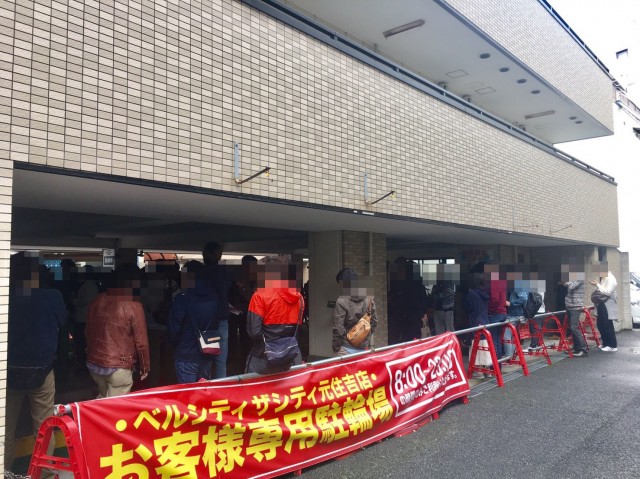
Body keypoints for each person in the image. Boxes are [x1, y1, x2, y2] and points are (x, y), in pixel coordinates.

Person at [5, 253, 66, 473]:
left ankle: (3, 469)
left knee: (5, 426)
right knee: (44, 426)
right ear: (36, 274)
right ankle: (45, 472)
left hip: (8, 371)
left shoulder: (6, 296)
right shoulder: (53, 296)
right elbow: (62, 326)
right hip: (42, 369)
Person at [85, 263, 150, 397]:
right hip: (119, 366)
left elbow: (88, 331)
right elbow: (141, 342)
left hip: (94, 364)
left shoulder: (97, 299)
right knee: (115, 406)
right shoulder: (134, 304)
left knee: (103, 398)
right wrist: (145, 367)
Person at [245, 255, 304, 375]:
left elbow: (254, 332)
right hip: (291, 356)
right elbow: (297, 327)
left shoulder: (259, 296)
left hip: (264, 357)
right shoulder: (299, 297)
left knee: (252, 384)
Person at [168, 260, 223, 383]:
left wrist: (173, 345)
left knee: (188, 392)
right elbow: (218, 321)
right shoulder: (214, 297)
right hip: (207, 352)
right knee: (203, 391)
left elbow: (174, 329)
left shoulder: (181, 299)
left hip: (186, 354)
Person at [332, 269, 378, 355]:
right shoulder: (368, 298)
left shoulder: (341, 301)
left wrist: (336, 347)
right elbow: (374, 322)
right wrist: (362, 337)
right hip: (363, 348)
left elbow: (338, 328)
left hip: (346, 348)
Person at [202, 241, 230, 378]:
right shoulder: (222, 273)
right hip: (221, 319)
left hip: (207, 322)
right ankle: (221, 386)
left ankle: (205, 386)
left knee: (207, 359)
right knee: (221, 361)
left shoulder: (201, 273)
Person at [388, 258, 429, 343]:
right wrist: (424, 311)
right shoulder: (418, 279)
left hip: (405, 310)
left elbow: (396, 295)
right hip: (416, 310)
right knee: (415, 331)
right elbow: (423, 296)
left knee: (406, 332)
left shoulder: (400, 280)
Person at [228, 255, 258, 366]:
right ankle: (232, 359)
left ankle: (245, 360)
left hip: (249, 311)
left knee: (248, 337)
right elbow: (230, 293)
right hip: (234, 312)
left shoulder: (256, 279)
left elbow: (253, 296)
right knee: (232, 336)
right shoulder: (235, 277)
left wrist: (244, 288)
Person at [591, 271, 618, 352]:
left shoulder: (610, 278)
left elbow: (608, 292)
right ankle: (605, 343)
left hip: (607, 304)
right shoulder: (604, 278)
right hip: (602, 303)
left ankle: (612, 346)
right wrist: (597, 285)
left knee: (607, 324)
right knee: (601, 324)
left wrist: (597, 284)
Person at [564, 270, 588, 357]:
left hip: (576, 306)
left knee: (574, 328)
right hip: (570, 305)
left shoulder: (580, 277)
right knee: (572, 328)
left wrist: (567, 283)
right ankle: (576, 348)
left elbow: (571, 286)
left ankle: (583, 349)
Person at [486, 264, 508, 359]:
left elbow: (494, 299)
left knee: (493, 340)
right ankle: (498, 362)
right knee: (498, 339)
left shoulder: (494, 283)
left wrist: (489, 309)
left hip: (495, 314)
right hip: (502, 313)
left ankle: (495, 363)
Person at [504, 277, 527, 359]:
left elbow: (523, 298)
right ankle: (511, 356)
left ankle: (508, 356)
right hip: (518, 313)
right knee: (513, 335)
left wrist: (511, 304)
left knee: (507, 335)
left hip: (515, 314)